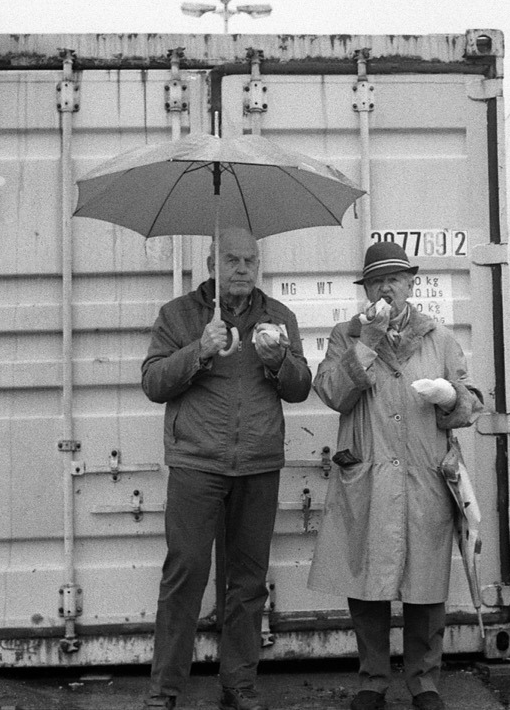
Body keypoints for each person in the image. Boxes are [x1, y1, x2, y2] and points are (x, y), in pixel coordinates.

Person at [308, 242, 485, 710]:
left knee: (426, 584)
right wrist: (366, 343)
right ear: (366, 289)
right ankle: (372, 680)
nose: (386, 287)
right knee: (366, 582)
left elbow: (471, 404)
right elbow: (330, 393)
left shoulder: (439, 338)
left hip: (423, 477)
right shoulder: (346, 336)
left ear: (411, 284)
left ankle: (424, 682)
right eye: (376, 281)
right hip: (367, 476)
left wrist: (451, 399)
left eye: (395, 279)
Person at [141, 227, 312, 710]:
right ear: (211, 264)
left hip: (258, 464)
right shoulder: (178, 315)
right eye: (232, 260)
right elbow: (153, 382)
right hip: (197, 463)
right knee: (185, 575)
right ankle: (165, 689)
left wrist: (279, 362)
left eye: (250, 261)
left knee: (248, 582)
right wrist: (199, 349)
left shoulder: (279, 318)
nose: (242, 269)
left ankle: (238, 685)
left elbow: (300, 388)